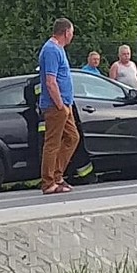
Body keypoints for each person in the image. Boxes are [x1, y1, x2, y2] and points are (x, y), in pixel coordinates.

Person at [39, 18, 80, 195]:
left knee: (73, 137)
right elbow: (50, 81)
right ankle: (48, 182)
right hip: (56, 105)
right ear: (66, 32)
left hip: (65, 104)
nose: (72, 36)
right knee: (52, 143)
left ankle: (57, 174)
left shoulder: (59, 49)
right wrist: (60, 105)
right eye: (71, 32)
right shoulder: (51, 50)